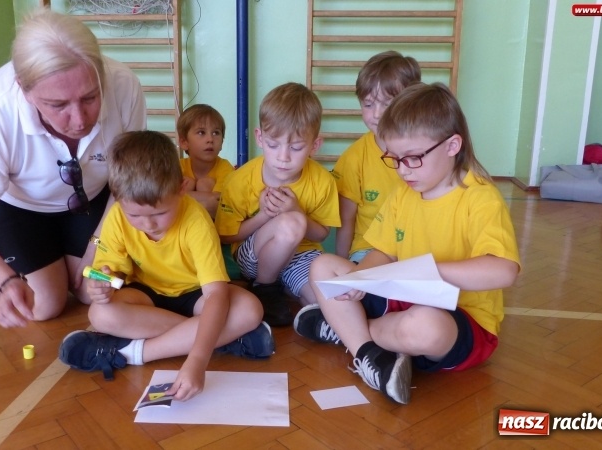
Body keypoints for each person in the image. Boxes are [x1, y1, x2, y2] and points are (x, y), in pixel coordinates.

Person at [295, 83, 521, 405]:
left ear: (452, 145)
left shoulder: (481, 198)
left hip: (462, 321)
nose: (402, 170)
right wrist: (361, 279)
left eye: (412, 158)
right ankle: (369, 354)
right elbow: (383, 251)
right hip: (403, 298)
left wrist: (429, 271)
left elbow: (504, 272)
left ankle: (346, 329)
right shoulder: (405, 194)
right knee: (323, 266)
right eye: (395, 159)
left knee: (425, 327)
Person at [0, 8, 146, 329]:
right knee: (43, 304)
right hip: (19, 209)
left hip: (93, 200)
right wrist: (4, 281)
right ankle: (52, 266)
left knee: (95, 289)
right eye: (58, 105)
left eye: (91, 97)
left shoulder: (124, 85)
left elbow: (128, 177)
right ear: (24, 88)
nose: (79, 120)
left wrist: (100, 244)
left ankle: (67, 261)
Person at [59, 131, 273, 399]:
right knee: (100, 314)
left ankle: (132, 353)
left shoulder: (196, 221)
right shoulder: (116, 217)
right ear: (117, 197)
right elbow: (109, 271)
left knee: (250, 309)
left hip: (195, 294)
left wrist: (196, 360)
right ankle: (220, 338)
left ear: (182, 188)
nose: (148, 224)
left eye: (159, 213)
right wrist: (102, 282)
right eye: (135, 215)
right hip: (145, 295)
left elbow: (216, 294)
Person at [215, 82, 341, 326]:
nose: (283, 157)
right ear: (260, 138)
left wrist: (298, 211)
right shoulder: (240, 180)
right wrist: (264, 215)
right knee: (291, 223)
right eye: (274, 145)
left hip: (300, 255)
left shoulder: (323, 181)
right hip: (253, 258)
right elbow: (226, 235)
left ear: (315, 145)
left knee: (328, 301)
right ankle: (265, 286)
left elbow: (322, 233)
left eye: (296, 147)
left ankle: (316, 324)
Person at [332, 50, 421, 262]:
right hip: (368, 250)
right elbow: (346, 220)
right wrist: (344, 270)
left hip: (415, 249)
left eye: (387, 103)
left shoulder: (427, 152)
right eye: (368, 104)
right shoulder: (354, 158)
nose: (377, 114)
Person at [177, 104, 235, 218]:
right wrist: (206, 198)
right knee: (187, 182)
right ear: (184, 142)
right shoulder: (177, 167)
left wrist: (182, 196)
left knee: (204, 184)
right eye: (201, 133)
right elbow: (166, 198)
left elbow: (217, 201)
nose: (210, 139)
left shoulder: (225, 167)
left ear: (222, 142)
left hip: (214, 224)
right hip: (184, 222)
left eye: (216, 133)